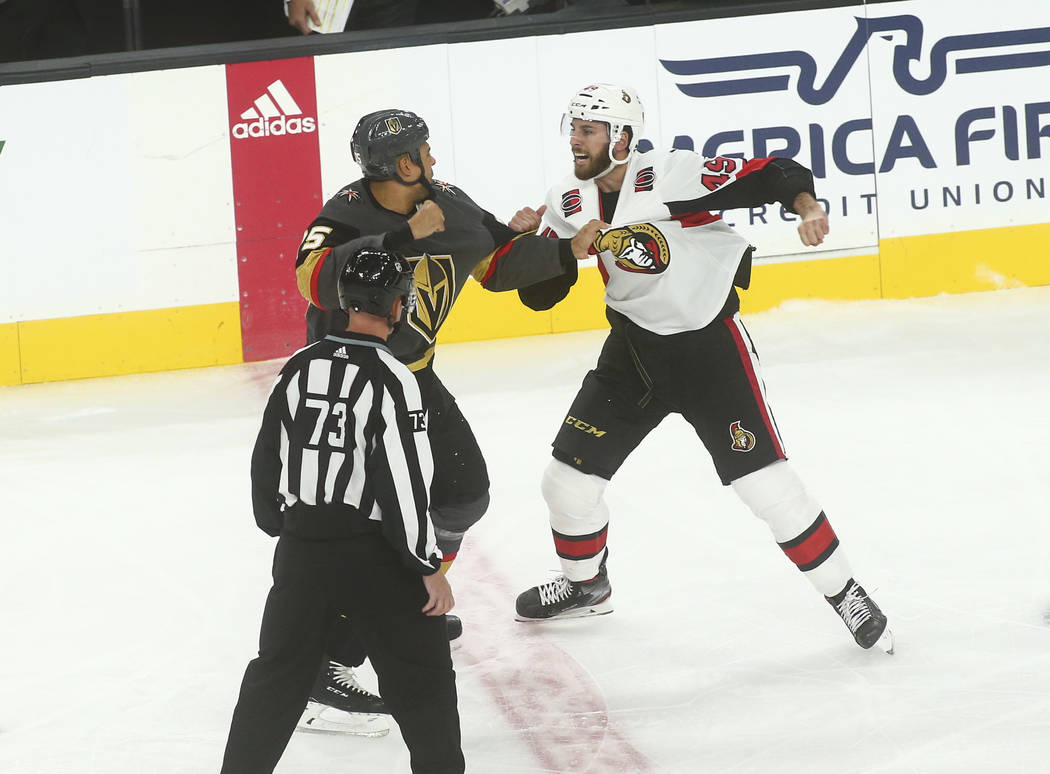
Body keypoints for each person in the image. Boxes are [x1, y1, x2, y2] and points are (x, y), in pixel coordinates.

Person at [510, 83, 894, 653]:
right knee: (565, 482)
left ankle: (845, 592)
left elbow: (771, 172)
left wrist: (807, 204)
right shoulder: (566, 198)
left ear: (621, 137)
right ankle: (585, 586)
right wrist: (533, 249)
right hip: (633, 355)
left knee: (766, 486)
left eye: (588, 130)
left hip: (709, 351)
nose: (575, 140)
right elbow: (541, 298)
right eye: (573, 128)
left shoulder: (670, 173)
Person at [292, 107, 598, 726]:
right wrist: (403, 239)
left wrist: (563, 248)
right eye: (424, 152)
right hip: (348, 383)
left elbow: (498, 261)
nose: (433, 159)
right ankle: (325, 661)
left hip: (414, 375)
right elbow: (313, 280)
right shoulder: (344, 212)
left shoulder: (450, 204)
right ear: (404, 163)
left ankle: (407, 603)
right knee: (362, 520)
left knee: (461, 495)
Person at [220, 247, 465, 774]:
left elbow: (268, 455)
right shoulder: (392, 378)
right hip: (373, 555)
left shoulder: (297, 366)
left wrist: (283, 529)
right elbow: (402, 480)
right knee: (423, 677)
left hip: (302, 549)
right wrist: (427, 567)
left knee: (276, 675)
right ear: (398, 305)